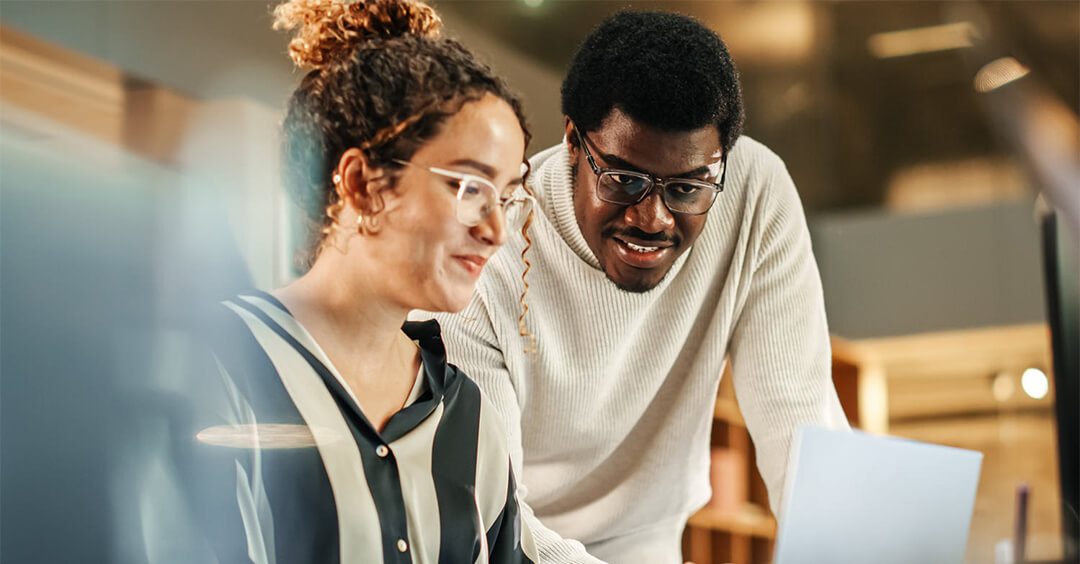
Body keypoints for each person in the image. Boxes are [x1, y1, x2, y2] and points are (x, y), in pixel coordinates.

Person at [423, 10, 850, 564]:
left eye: (688, 187)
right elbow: (489, 512)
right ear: (575, 141)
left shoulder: (755, 195)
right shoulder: (489, 247)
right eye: (623, 179)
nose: (653, 219)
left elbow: (801, 420)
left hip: (653, 547)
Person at [185, 0, 540, 561]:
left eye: (507, 195)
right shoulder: (217, 368)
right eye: (470, 188)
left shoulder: (471, 422)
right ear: (361, 183)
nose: (496, 230)